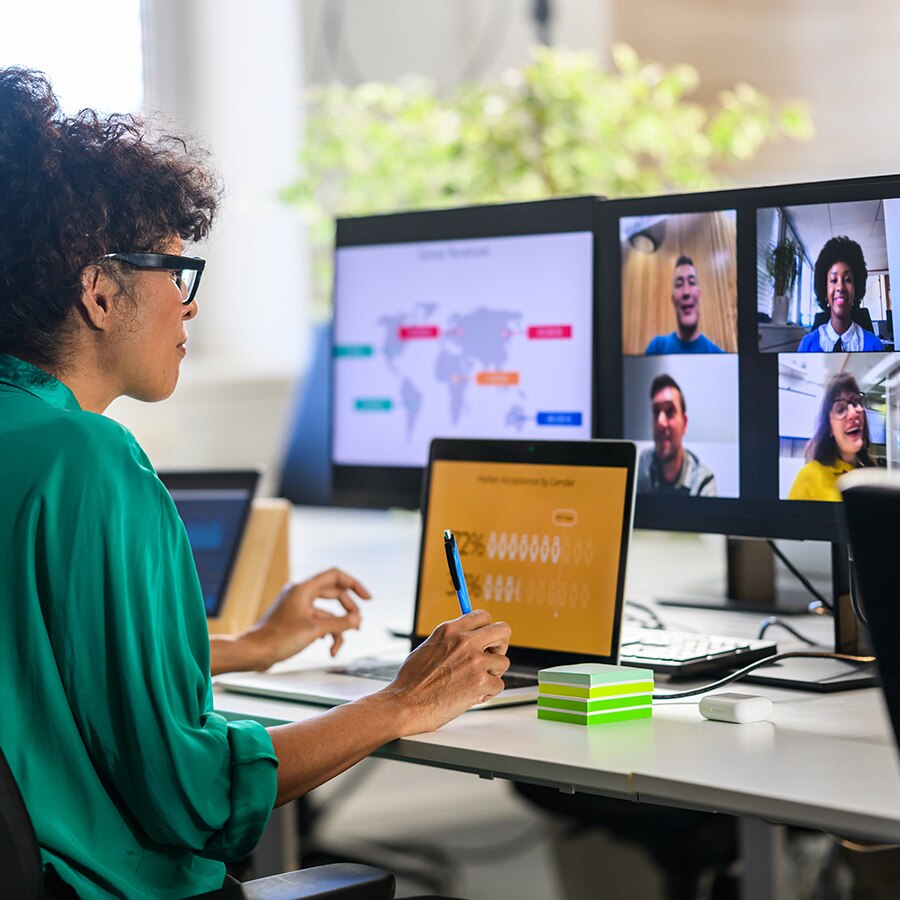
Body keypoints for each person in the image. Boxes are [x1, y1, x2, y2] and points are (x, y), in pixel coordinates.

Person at [0, 67, 511, 900]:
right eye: (174, 271)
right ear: (98, 290)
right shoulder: (91, 461)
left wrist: (249, 647)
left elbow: (33, 662)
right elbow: (191, 797)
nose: (188, 305)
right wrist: (403, 701)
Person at [788, 372, 876, 501]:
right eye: (840, 409)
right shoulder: (809, 477)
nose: (853, 413)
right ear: (829, 428)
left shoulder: (872, 473)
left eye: (856, 402)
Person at [797, 236, 884, 352]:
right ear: (824, 289)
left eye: (847, 279)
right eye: (833, 280)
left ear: (856, 288)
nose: (840, 287)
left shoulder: (875, 346)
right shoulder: (807, 345)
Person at [636, 374, 717, 496]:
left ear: (684, 423)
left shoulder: (702, 481)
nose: (660, 422)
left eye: (670, 412)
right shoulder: (637, 469)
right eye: (656, 412)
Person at [644, 255, 725, 354]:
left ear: (699, 295)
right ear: (673, 299)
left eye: (691, 282)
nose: (686, 292)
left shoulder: (717, 355)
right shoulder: (657, 348)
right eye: (679, 284)